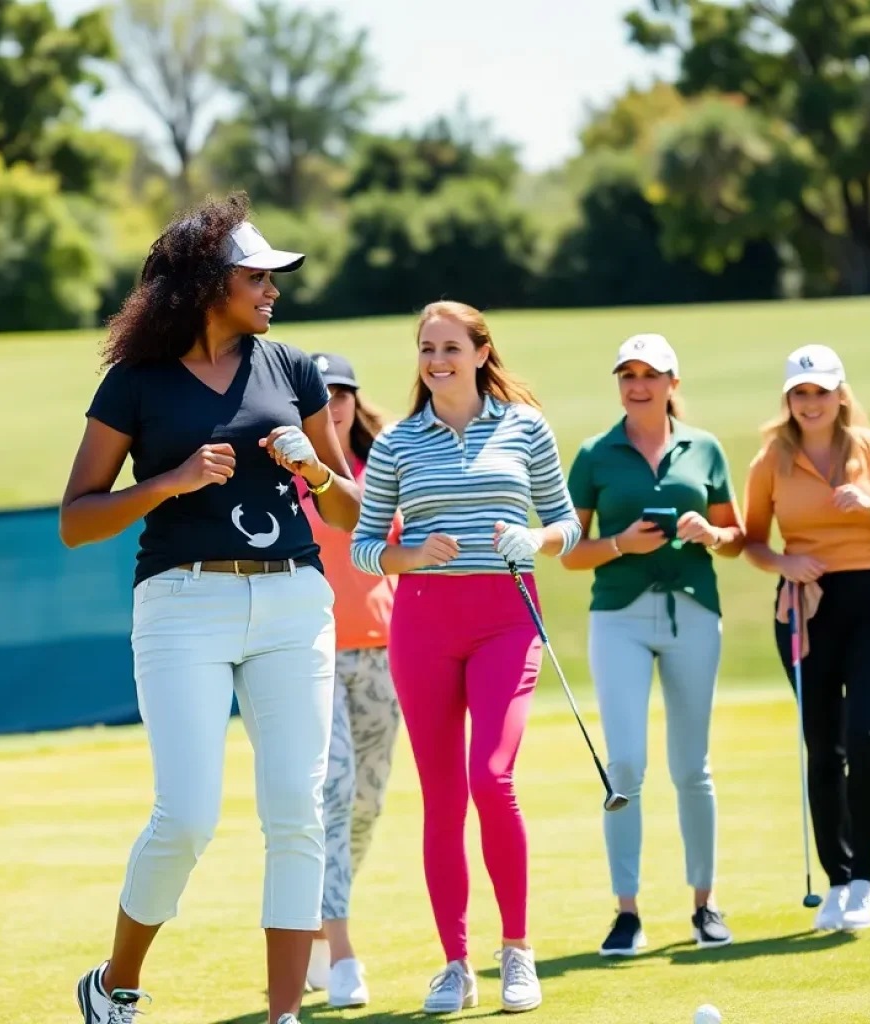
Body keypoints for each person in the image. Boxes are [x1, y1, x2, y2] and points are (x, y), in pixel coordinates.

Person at [60, 192, 360, 1024]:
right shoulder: (135, 383)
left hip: (295, 600)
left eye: (274, 278)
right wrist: (168, 482)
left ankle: (283, 1016)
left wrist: (316, 470)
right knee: (187, 816)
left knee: (297, 812)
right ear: (206, 284)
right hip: (182, 603)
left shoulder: (294, 369)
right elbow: (77, 518)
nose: (273, 290)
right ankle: (114, 985)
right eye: (257, 276)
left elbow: (347, 515)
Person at [349, 301, 581, 1015]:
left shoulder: (525, 427)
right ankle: (454, 964)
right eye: (426, 348)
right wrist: (409, 553)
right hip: (423, 625)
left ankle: (517, 952)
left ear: (482, 352)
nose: (437, 360)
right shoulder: (396, 443)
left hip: (506, 621)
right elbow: (364, 548)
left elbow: (568, 524)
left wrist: (535, 541)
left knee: (492, 776)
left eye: (451, 347)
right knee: (443, 798)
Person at [561, 333, 745, 956]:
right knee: (627, 765)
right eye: (627, 374)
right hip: (619, 617)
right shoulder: (593, 454)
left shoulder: (707, 449)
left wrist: (709, 532)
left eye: (650, 374)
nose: (637, 384)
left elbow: (738, 534)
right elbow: (569, 552)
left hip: (693, 612)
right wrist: (621, 544)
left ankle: (704, 904)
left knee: (693, 767)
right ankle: (627, 912)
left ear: (673, 382)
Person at [743, 344, 870, 933]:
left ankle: (866, 877)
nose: (811, 402)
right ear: (789, 400)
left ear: (841, 394)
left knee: (863, 735)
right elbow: (752, 540)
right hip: (806, 608)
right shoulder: (772, 458)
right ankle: (838, 882)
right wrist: (782, 564)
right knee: (825, 748)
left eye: (821, 391)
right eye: (801, 393)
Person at [295, 352, 403, 1008]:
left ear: (355, 402)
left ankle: (315, 916)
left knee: (367, 804)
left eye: (341, 393)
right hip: (313, 657)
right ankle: (342, 952)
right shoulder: (288, 476)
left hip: (385, 653)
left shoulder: (383, 469)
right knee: (332, 794)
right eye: (321, 393)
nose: (331, 403)